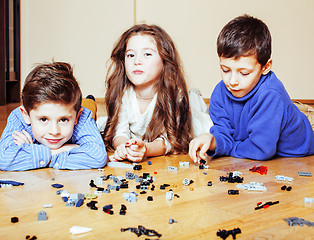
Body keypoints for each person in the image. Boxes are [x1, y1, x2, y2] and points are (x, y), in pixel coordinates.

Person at [189, 15, 314, 163]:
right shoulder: (220, 93)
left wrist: (229, 148)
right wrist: (213, 140)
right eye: (225, 70)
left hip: (297, 152)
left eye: (244, 73)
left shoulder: (270, 94)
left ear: (266, 67)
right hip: (257, 150)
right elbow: (224, 134)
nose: (232, 81)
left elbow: (261, 150)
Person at [103, 24, 212, 162]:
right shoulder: (123, 92)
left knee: (200, 119)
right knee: (103, 124)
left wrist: (146, 149)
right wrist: (124, 148)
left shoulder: (174, 94)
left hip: (186, 120)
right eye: (130, 55)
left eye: (147, 54)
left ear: (164, 61)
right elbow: (119, 134)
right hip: (143, 137)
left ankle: (195, 97)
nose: (137, 61)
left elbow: (168, 141)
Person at [0, 62, 107, 171]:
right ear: (26, 115)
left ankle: (90, 100)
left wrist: (31, 151)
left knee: (89, 105)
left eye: (64, 120)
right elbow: (4, 159)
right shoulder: (18, 117)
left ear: (77, 117)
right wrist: (58, 151)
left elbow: (97, 156)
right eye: (43, 119)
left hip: (83, 108)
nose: (54, 131)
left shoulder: (83, 116)